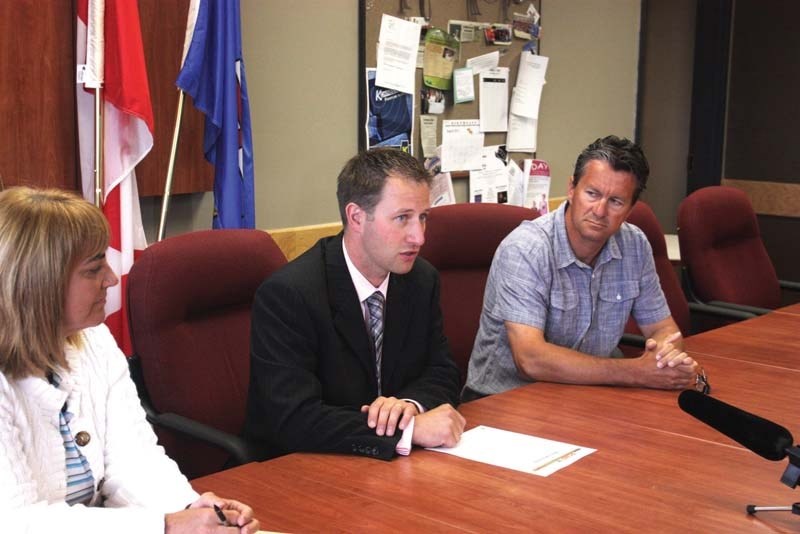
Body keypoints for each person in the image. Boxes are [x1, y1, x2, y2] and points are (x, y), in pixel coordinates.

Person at [0, 187, 260, 533]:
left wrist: (189, 507)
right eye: (94, 269)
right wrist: (166, 526)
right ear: (40, 281)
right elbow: (17, 522)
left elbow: (134, 459)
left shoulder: (93, 341)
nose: (110, 278)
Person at [245, 148, 465, 460]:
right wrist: (408, 431)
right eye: (403, 218)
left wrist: (409, 407)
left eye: (423, 218)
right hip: (302, 467)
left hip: (390, 468)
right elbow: (293, 418)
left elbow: (441, 370)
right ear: (356, 217)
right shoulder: (290, 294)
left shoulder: (421, 280)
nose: (419, 237)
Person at [464, 135, 700, 400]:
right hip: (505, 399)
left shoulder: (634, 245)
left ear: (630, 209)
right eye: (592, 194)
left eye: (616, 202)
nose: (599, 211)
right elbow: (530, 359)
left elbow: (664, 329)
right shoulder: (526, 248)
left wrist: (664, 358)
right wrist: (635, 372)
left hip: (588, 394)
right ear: (572, 189)